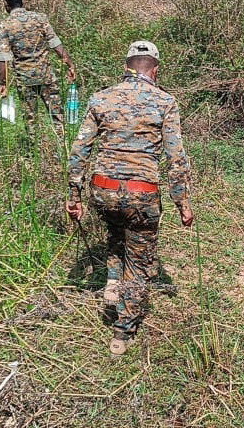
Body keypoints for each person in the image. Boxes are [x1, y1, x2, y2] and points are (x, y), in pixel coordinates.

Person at [66, 41, 194, 355]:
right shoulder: (165, 102)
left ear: (126, 67)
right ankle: (122, 333)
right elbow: (176, 157)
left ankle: (111, 280)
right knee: (138, 262)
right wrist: (183, 203)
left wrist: (74, 195)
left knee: (115, 229)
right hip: (142, 194)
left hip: (103, 189)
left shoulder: (101, 98)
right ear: (155, 69)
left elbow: (79, 150)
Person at [0, 0, 76, 138]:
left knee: (31, 120)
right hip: (47, 77)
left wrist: (2, 83)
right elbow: (56, 45)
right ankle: (64, 151)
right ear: (22, 1)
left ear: (6, 4)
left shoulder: (4, 26)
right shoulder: (40, 19)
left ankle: (37, 153)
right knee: (58, 116)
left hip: (25, 81)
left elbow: (3, 58)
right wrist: (70, 65)